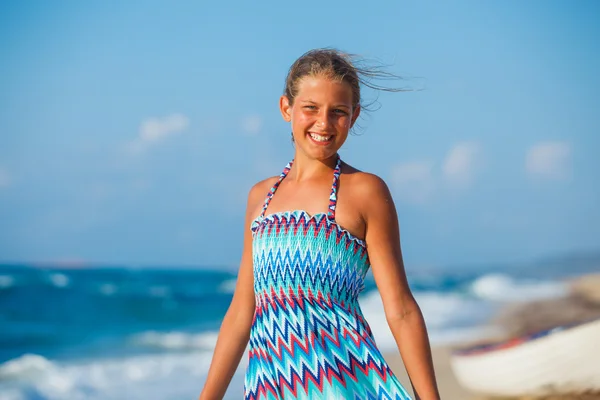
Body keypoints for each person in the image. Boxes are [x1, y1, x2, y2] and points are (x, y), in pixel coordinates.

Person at [199, 48, 440, 400]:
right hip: (272, 387)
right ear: (287, 108)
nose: (324, 123)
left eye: (338, 112)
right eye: (310, 108)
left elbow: (401, 309)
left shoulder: (365, 192)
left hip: (344, 385)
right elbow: (241, 311)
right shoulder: (261, 198)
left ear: (354, 116)